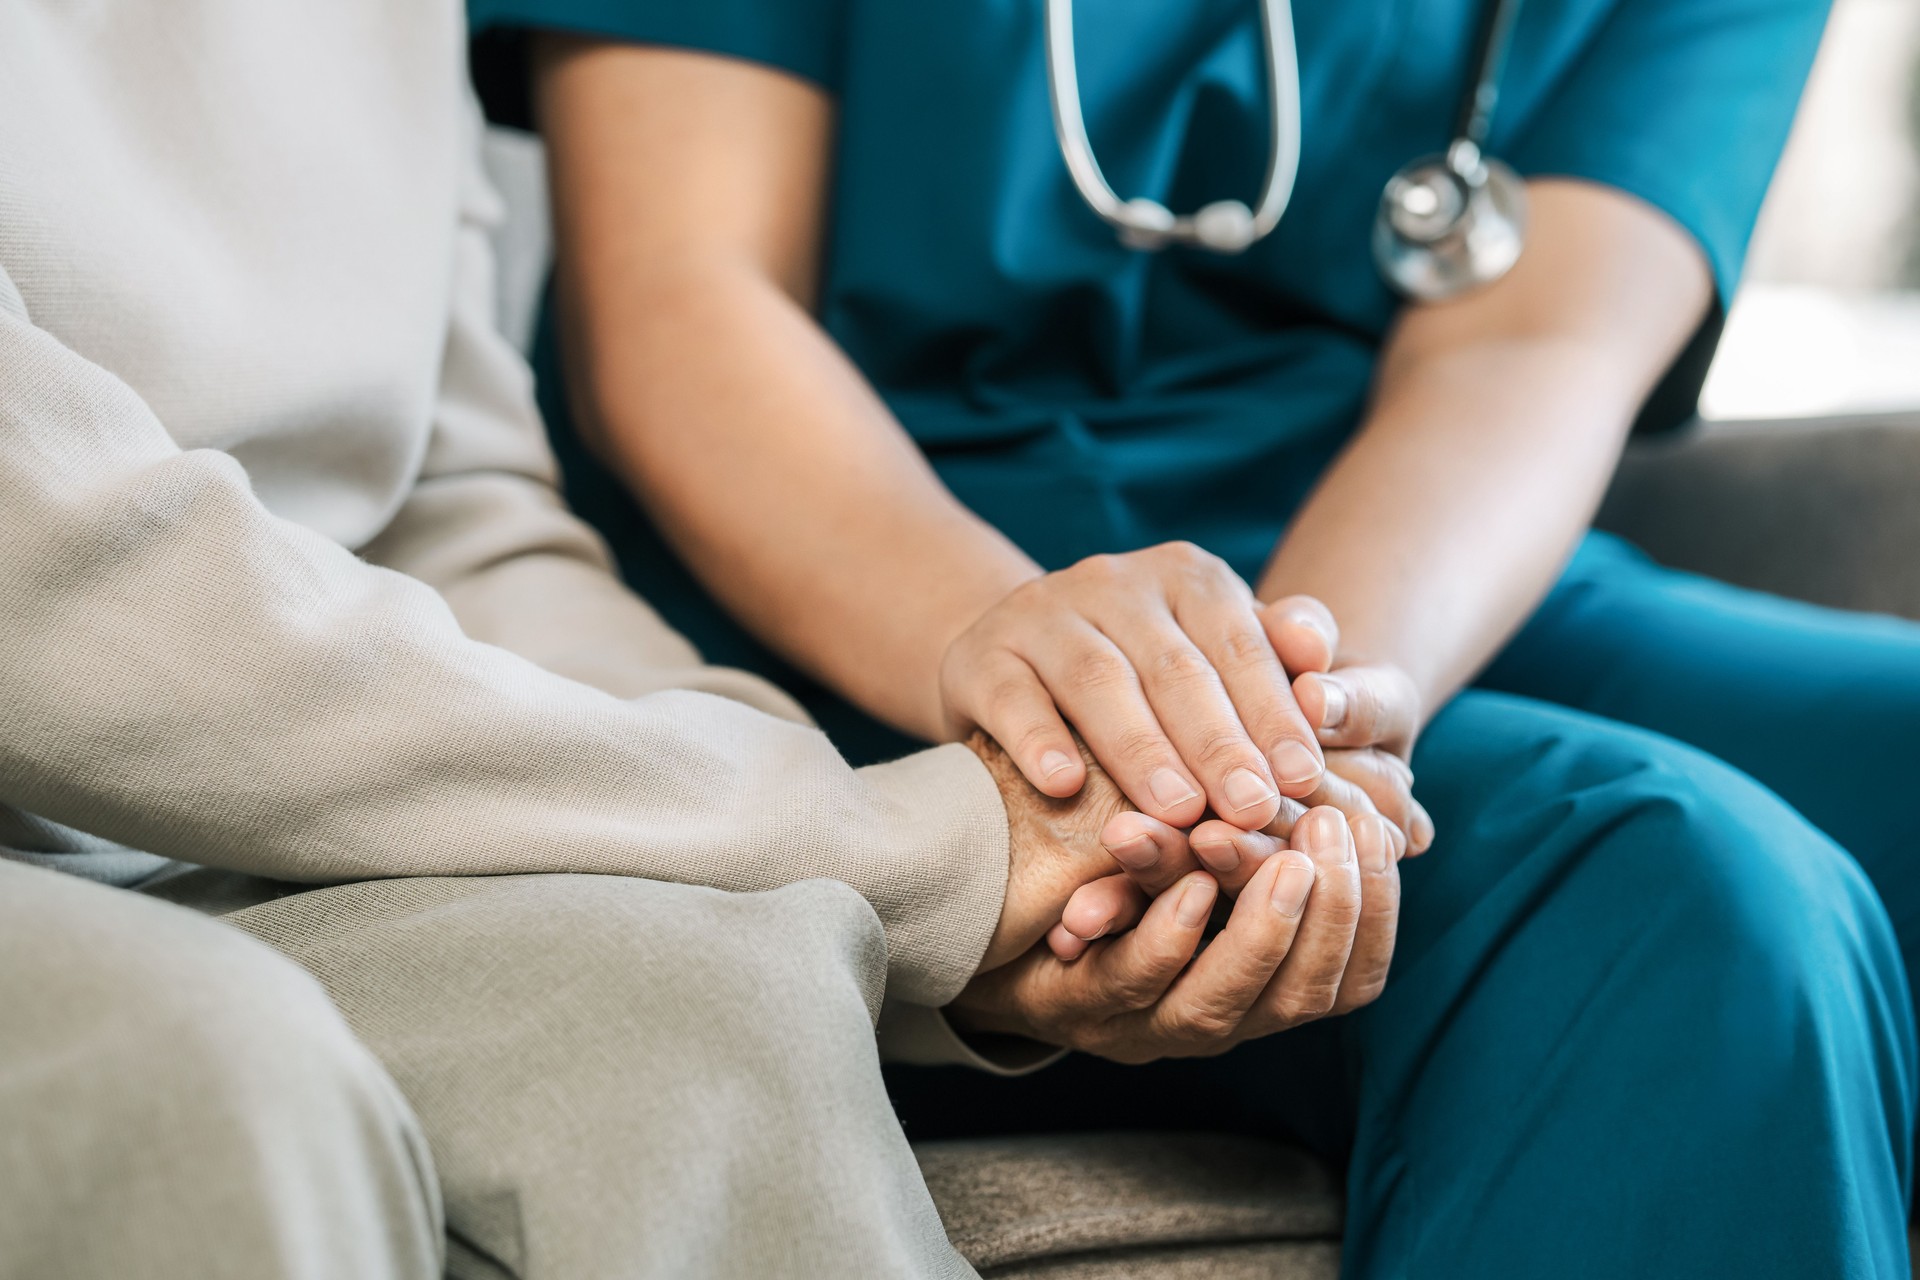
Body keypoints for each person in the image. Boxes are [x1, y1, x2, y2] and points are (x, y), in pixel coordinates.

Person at [471, 0, 1920, 1273]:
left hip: (1411, 568)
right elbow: (680, 300)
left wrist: (1296, 714)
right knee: (1673, 891)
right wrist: (1045, 667)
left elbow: (1529, 345)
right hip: (852, 584)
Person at [0, 3, 1389, 1277]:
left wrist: (989, 870)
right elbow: (51, 579)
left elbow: (450, 515)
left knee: (706, 1001)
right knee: (201, 1066)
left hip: (229, 836)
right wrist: (918, 851)